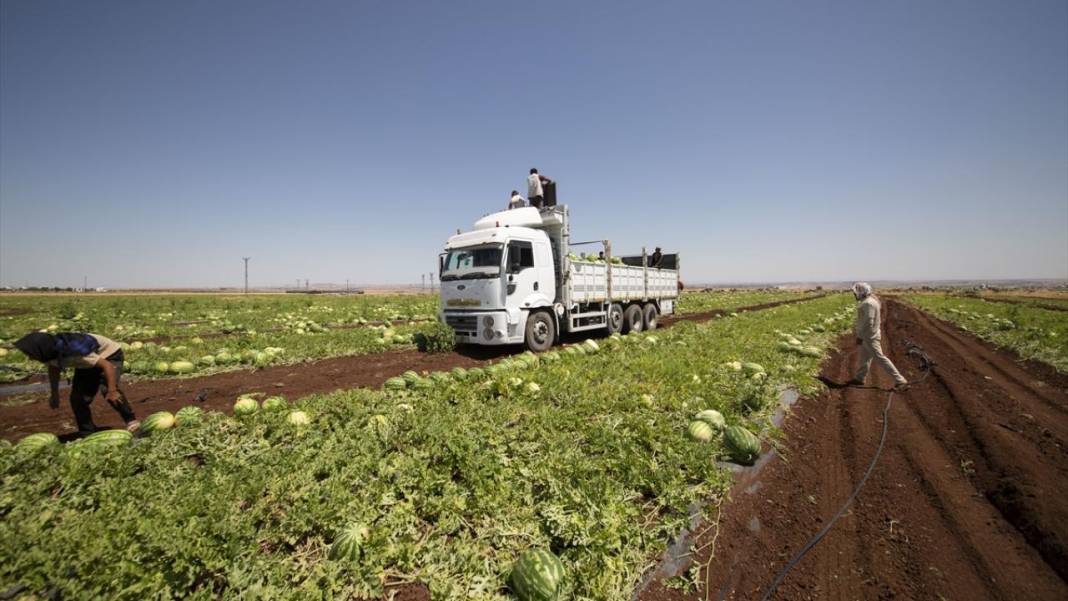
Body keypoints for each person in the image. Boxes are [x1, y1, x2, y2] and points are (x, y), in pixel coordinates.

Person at [14, 331, 138, 435]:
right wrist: (54, 393)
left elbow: (108, 366)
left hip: (109, 355)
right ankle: (87, 431)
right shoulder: (50, 352)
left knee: (108, 391)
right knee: (77, 398)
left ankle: (131, 421)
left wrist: (112, 390)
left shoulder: (76, 353)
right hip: (89, 361)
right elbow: (54, 368)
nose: (30, 358)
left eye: (31, 354)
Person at [847, 283, 909, 391]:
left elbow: (869, 322)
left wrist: (860, 336)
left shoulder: (868, 303)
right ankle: (860, 378)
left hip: (869, 337)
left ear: (862, 292)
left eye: (855, 293)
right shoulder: (871, 301)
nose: (854, 295)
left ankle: (900, 380)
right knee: (864, 358)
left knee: (880, 358)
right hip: (869, 336)